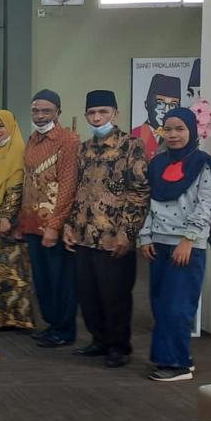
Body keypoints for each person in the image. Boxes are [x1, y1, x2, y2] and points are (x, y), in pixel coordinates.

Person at [63, 90, 149, 368]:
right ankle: (98, 340)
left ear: (115, 113)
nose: (97, 117)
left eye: (103, 112)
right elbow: (77, 191)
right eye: (92, 113)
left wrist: (128, 233)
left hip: (114, 237)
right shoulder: (84, 149)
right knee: (87, 295)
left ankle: (118, 346)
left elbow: (139, 193)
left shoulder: (131, 146)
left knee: (115, 296)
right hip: (84, 236)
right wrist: (70, 226)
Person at [139, 107, 211, 382]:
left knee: (178, 307)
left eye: (180, 129)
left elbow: (207, 205)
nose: (173, 135)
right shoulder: (157, 163)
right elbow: (149, 203)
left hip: (187, 246)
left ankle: (177, 365)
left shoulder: (202, 163)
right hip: (158, 243)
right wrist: (146, 236)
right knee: (160, 305)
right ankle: (179, 357)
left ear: (192, 130)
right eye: (168, 129)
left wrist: (188, 239)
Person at [21, 89, 80, 348]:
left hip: (54, 225)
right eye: (36, 110)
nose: (40, 115)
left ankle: (64, 330)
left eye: (46, 111)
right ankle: (52, 324)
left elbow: (68, 187)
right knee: (42, 279)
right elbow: (28, 182)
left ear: (58, 112)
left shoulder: (68, 140)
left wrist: (55, 226)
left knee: (60, 280)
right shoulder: (33, 139)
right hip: (32, 223)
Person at [0, 110, 35, 331]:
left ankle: (19, 318)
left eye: (1, 126)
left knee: (14, 271)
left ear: (11, 127)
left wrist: (6, 217)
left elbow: (17, 188)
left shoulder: (19, 152)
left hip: (10, 221)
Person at [132, 74, 181, 159]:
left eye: (173, 105)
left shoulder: (180, 137)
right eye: (160, 103)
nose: (166, 110)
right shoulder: (135, 135)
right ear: (147, 104)